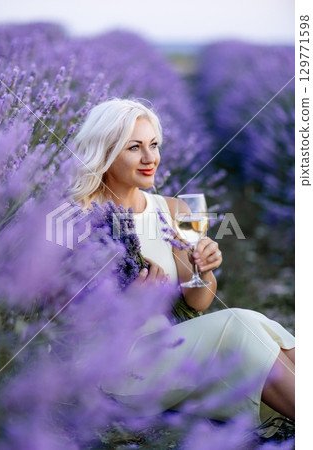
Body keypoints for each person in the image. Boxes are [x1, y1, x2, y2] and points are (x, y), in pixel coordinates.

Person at [69, 98, 295, 436]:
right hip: (116, 365)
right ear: (105, 153)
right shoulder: (76, 219)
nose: (151, 159)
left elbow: (198, 303)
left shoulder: (173, 209)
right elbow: (65, 325)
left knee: (256, 324)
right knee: (240, 324)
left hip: (172, 345)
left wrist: (204, 269)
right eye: (135, 148)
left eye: (154, 145)